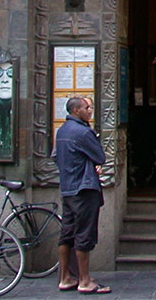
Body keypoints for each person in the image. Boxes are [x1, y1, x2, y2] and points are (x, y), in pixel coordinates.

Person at [54, 96, 110, 294]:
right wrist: (91, 165)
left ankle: (66, 277)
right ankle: (85, 280)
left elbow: (56, 157)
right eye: (87, 107)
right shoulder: (83, 132)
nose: (90, 110)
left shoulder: (62, 131)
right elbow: (100, 157)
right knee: (84, 234)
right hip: (84, 188)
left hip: (67, 188)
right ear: (76, 111)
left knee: (66, 234)